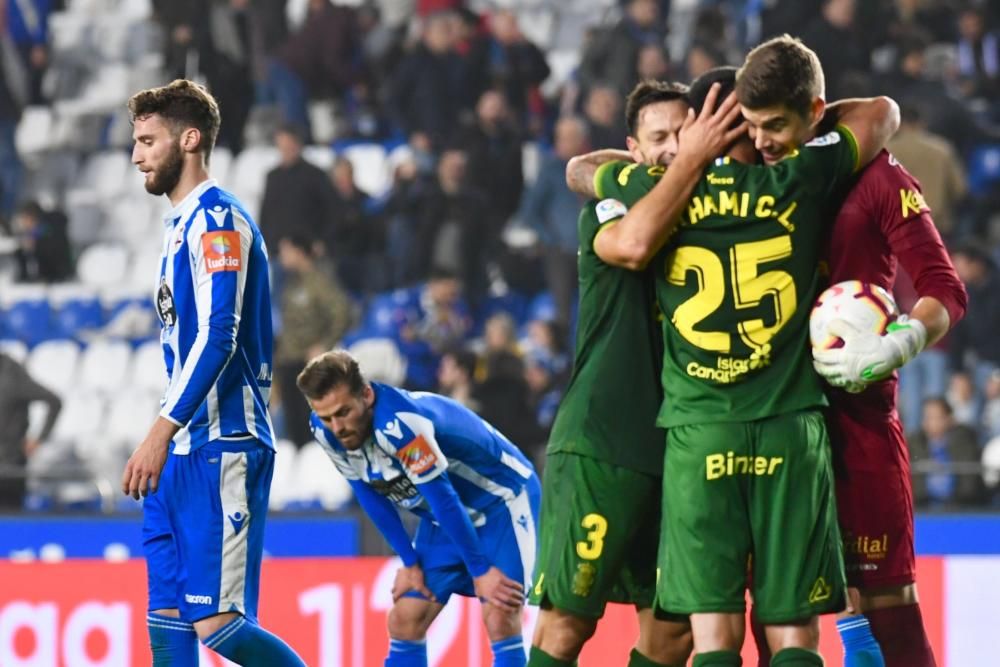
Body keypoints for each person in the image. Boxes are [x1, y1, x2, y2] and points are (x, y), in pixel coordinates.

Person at [570, 61, 899, 665]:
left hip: (699, 434)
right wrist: (804, 108)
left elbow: (581, 170)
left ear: (699, 126)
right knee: (794, 634)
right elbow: (882, 111)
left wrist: (685, 157)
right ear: (748, 124)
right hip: (790, 426)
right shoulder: (804, 175)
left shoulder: (652, 190)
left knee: (713, 634)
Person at [736, 35, 968, 667]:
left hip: (859, 421)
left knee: (889, 607)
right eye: (752, 126)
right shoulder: (749, 172)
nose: (761, 142)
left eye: (775, 126)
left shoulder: (878, 175)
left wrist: (904, 341)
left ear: (816, 110)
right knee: (778, 619)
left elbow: (944, 288)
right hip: (774, 422)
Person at [120, 79, 306, 667]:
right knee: (168, 618)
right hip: (183, 447)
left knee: (218, 622)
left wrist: (159, 430)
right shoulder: (178, 227)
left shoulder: (217, 219)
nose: (136, 154)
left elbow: (220, 334)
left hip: (222, 443)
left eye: (149, 140)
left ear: (190, 139)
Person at [527, 80, 702, 667]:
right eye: (659, 138)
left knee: (674, 635)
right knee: (566, 626)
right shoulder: (611, 207)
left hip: (679, 452)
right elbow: (630, 246)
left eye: (684, 132)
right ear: (633, 148)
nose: (675, 147)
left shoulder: (719, 214)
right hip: (603, 445)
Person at [297, 349, 540, 667]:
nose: (337, 426)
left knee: (500, 613)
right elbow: (369, 493)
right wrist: (409, 562)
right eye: (327, 416)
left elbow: (443, 499)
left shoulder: (401, 426)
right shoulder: (326, 431)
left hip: (501, 502)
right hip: (448, 517)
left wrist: (480, 570)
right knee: (406, 617)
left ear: (367, 395)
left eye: (343, 412)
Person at [0, 351, 61, 509]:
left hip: (9, 465)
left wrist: (39, 438)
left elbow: (54, 401)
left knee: (10, 522)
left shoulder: (11, 376)